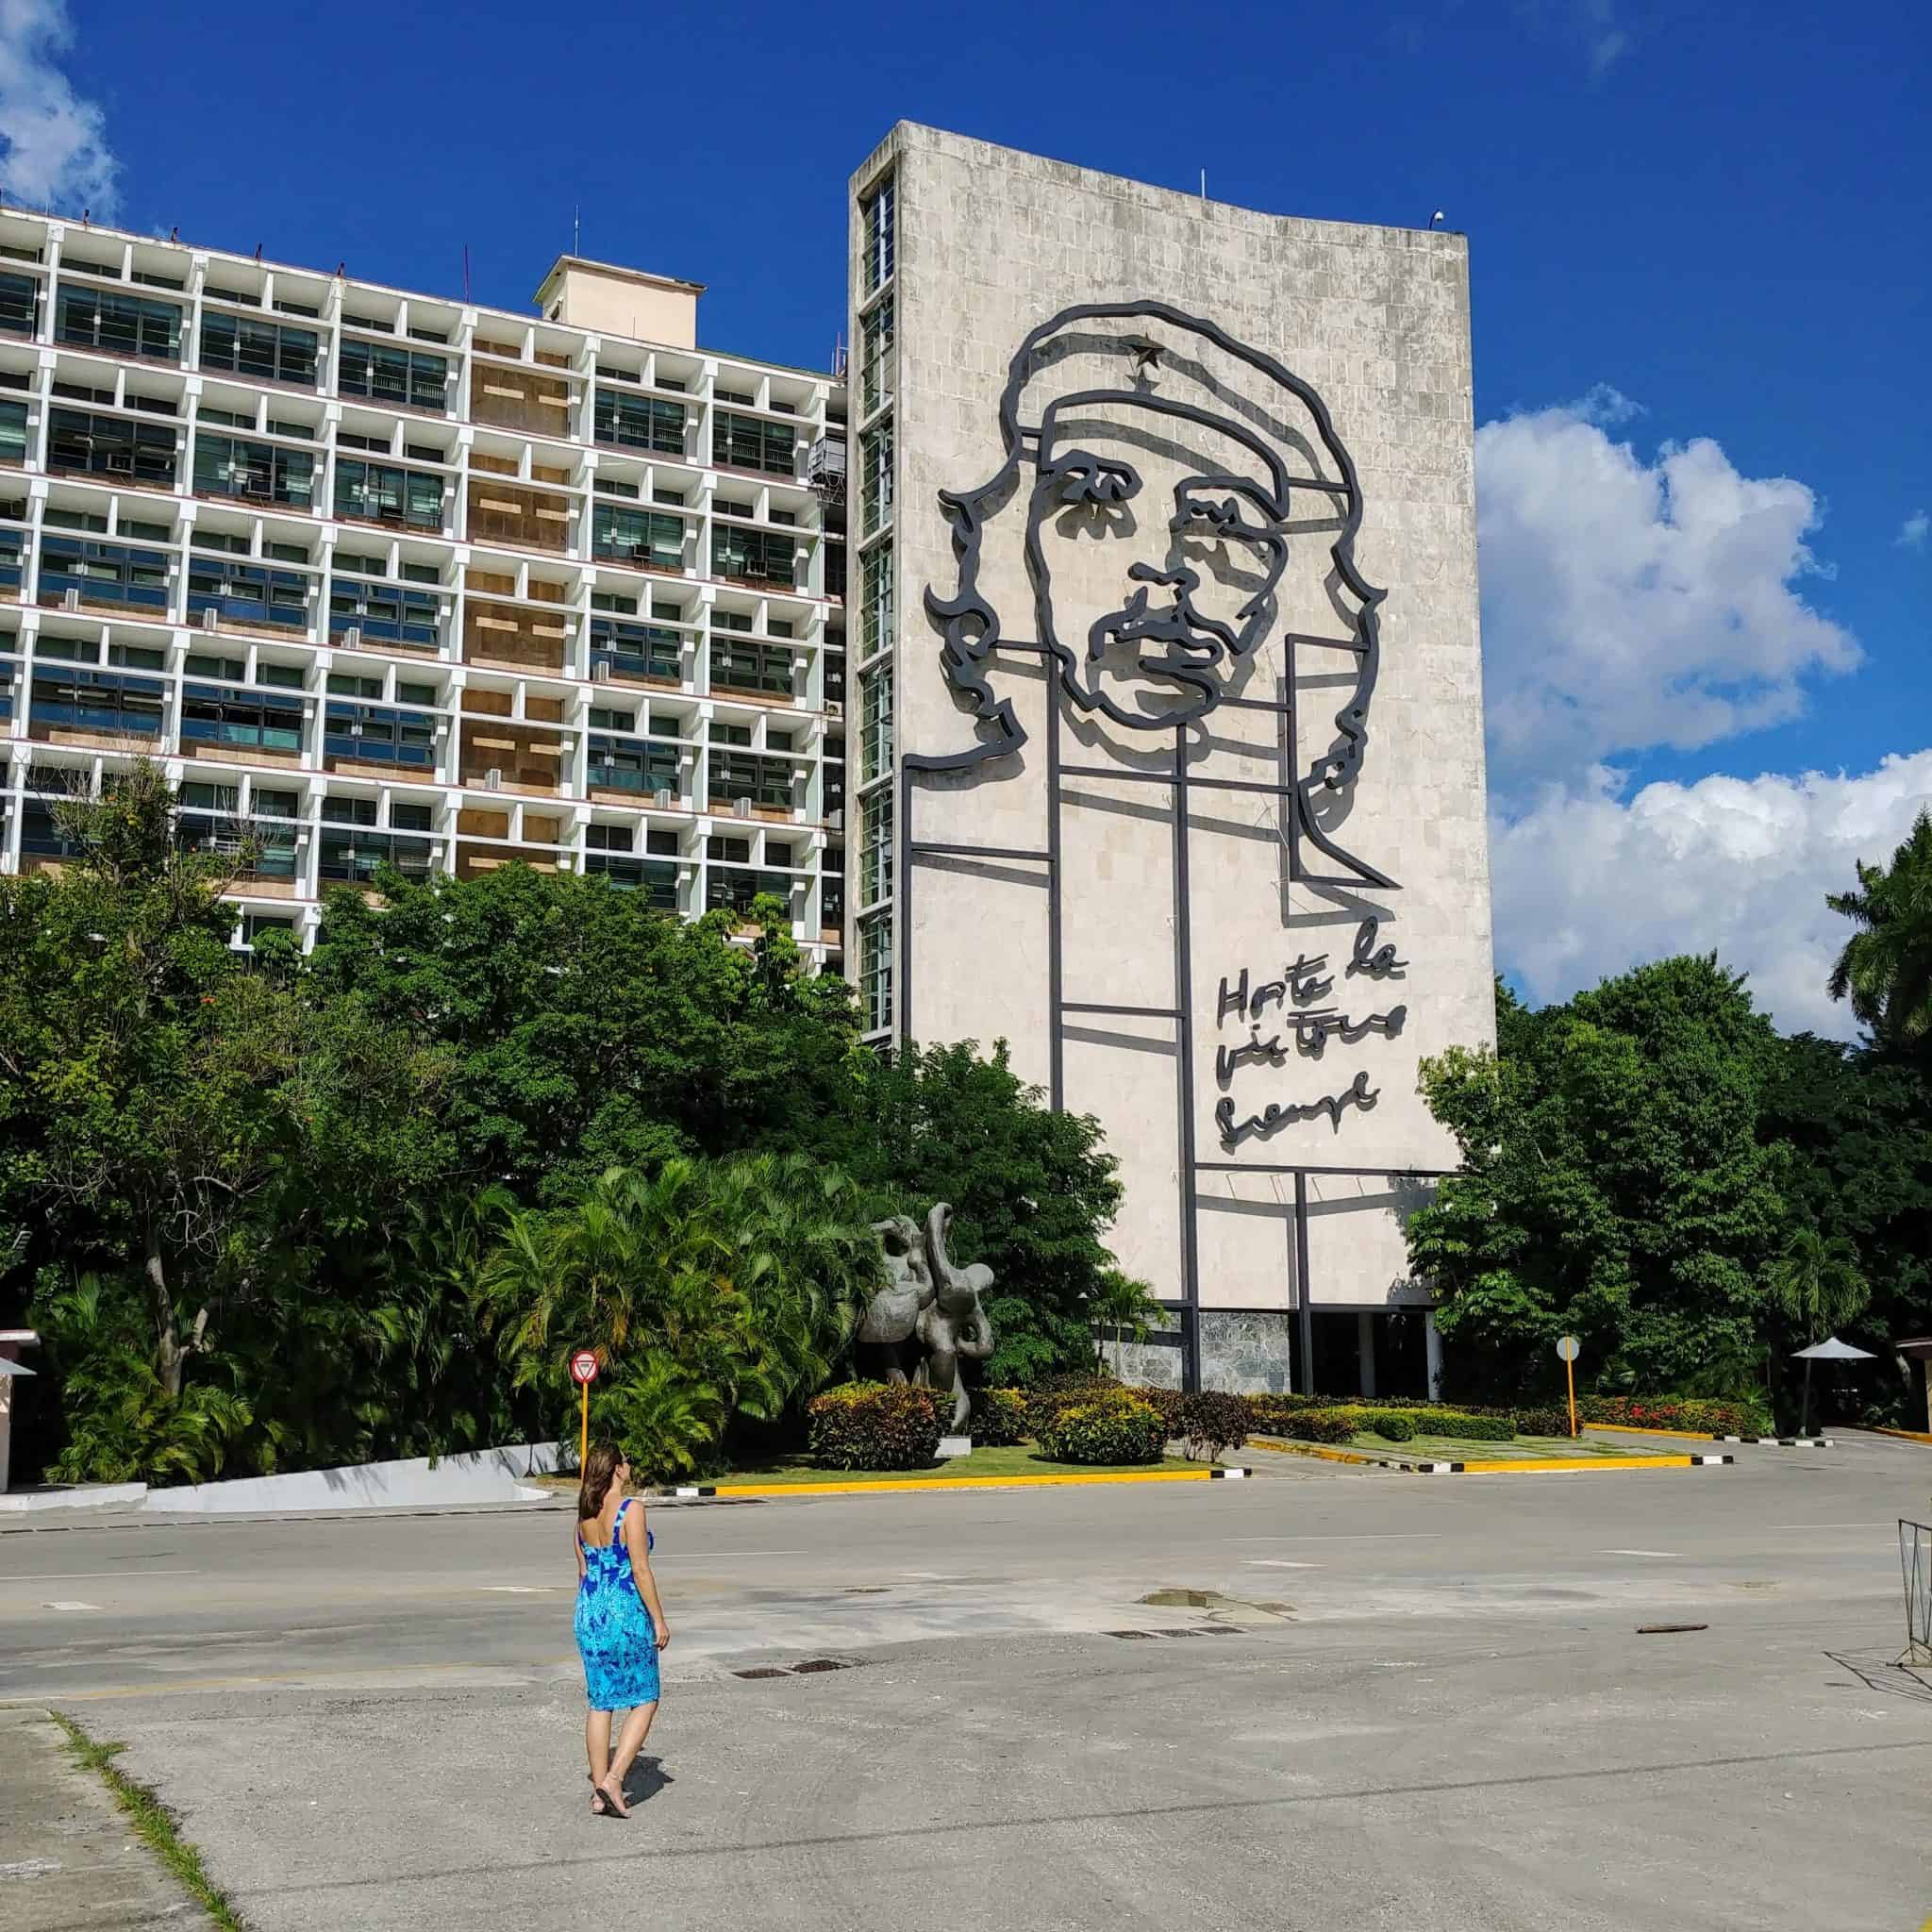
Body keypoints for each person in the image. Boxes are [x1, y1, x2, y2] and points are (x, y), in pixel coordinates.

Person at [573, 1441, 670, 1818]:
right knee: (646, 1697)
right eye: (626, 1461)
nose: (629, 1465)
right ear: (616, 1469)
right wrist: (658, 1618)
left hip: (590, 1615)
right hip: (624, 1613)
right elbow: (640, 1570)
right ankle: (614, 1779)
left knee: (601, 1702)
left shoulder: (583, 1517)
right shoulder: (631, 1510)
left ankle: (599, 1792)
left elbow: (584, 1573)